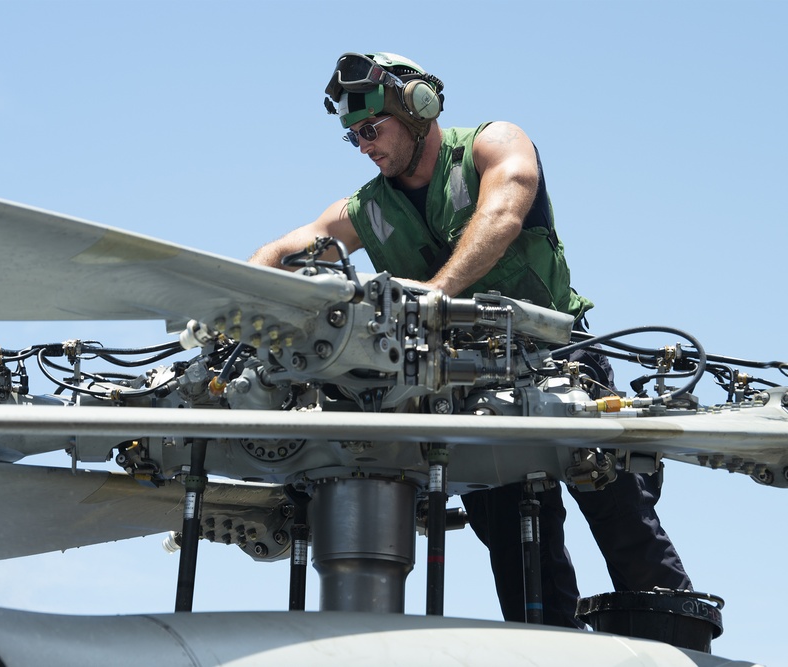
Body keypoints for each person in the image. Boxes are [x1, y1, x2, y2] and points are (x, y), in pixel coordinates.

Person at [249, 51, 691, 627]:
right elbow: (287, 249)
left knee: (626, 525)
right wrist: (243, 296)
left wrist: (437, 293)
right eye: (353, 136)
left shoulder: (492, 145)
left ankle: (679, 648)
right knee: (518, 558)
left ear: (418, 108)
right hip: (464, 390)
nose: (364, 145)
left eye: (371, 128)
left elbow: (504, 211)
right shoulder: (368, 208)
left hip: (560, 368)